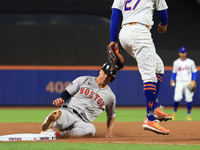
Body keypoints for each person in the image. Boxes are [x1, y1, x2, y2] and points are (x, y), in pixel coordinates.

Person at [108, 0, 172, 135]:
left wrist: (113, 39)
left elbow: (115, 14)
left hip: (124, 33)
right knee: (149, 75)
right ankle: (150, 118)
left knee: (158, 66)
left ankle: (154, 107)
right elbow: (163, 12)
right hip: (140, 32)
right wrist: (164, 24)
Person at [40, 62, 117, 138]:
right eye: (105, 73)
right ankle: (47, 125)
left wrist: (109, 132)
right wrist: (62, 99)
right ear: (100, 71)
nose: (105, 76)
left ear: (112, 79)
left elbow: (111, 116)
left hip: (81, 122)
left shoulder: (110, 97)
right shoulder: (85, 80)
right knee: (57, 115)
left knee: (91, 129)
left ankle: (56, 134)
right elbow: (67, 92)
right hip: (68, 112)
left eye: (109, 76)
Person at [170, 47, 197, 121]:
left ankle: (188, 115)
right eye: (181, 52)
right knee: (177, 98)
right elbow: (174, 72)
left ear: (186, 53)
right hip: (179, 82)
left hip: (188, 82)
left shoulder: (190, 62)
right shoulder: (176, 62)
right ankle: (174, 112)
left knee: (189, 99)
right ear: (179, 53)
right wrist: (172, 79)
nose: (183, 54)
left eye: (184, 52)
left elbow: (194, 71)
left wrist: (194, 80)